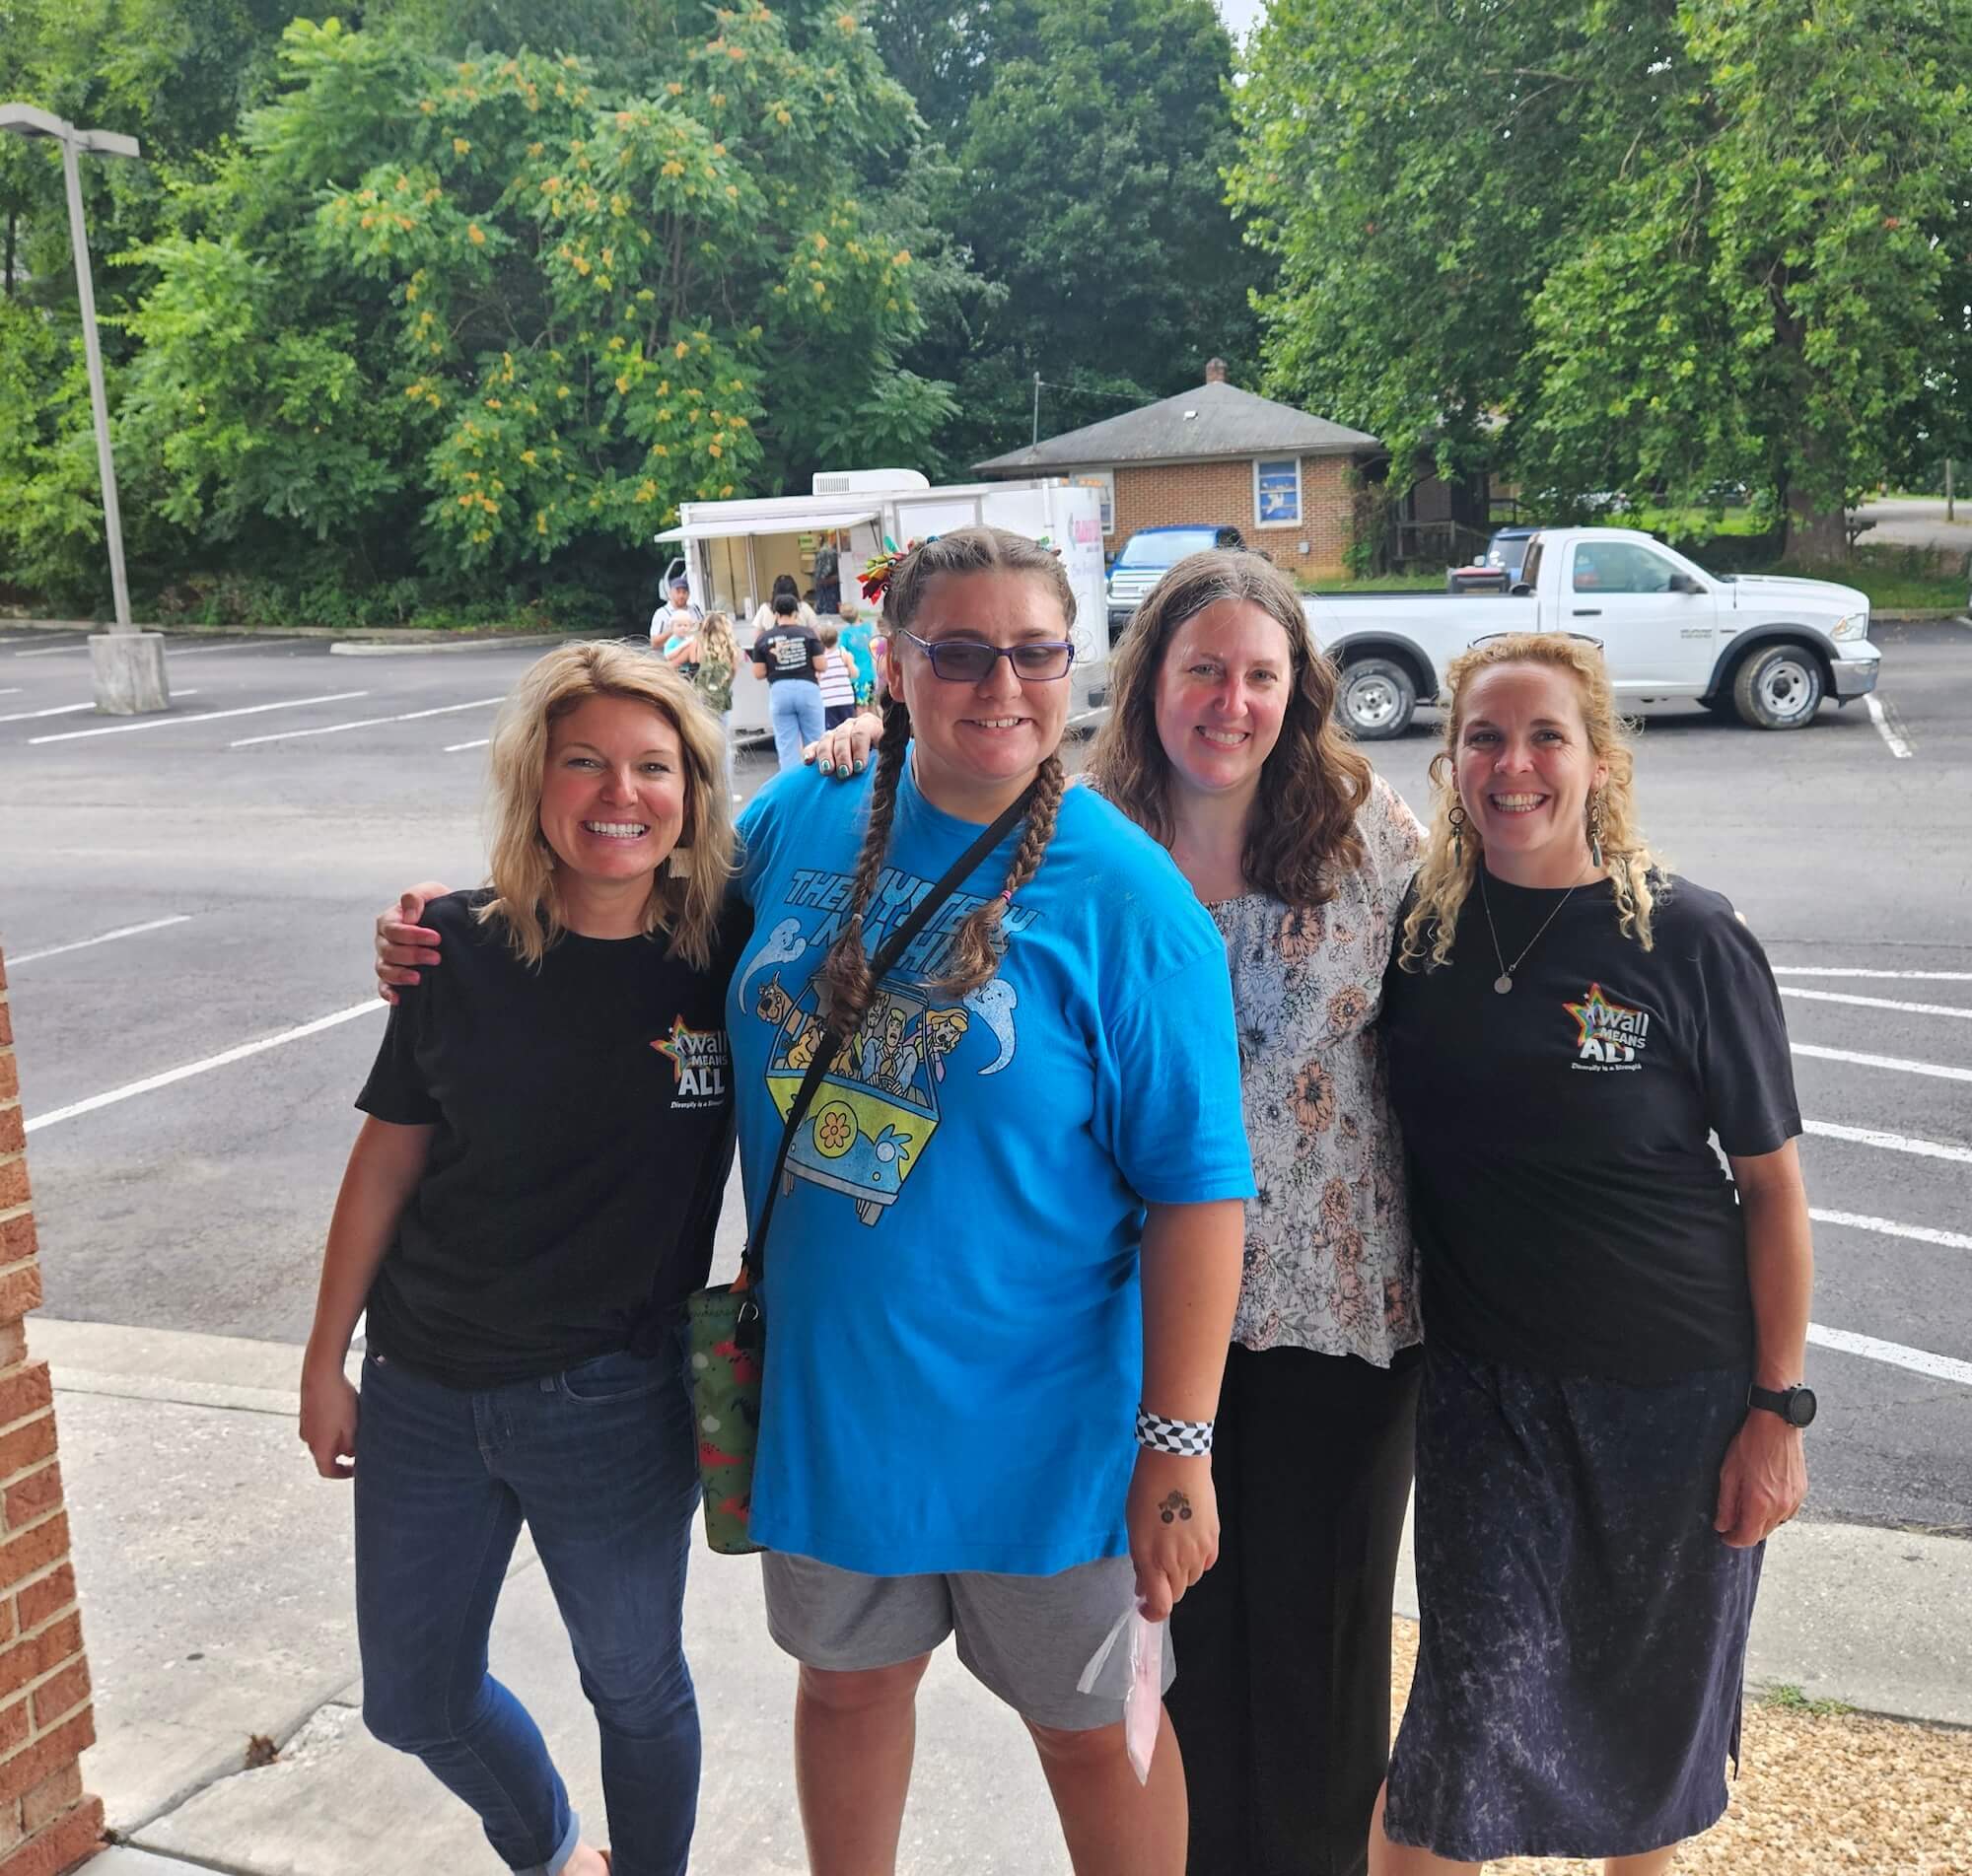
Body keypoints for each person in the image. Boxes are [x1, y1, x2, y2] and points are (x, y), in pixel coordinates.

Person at [380, 527, 1256, 1875]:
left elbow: (1200, 1192)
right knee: (848, 1688)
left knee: (1089, 1729)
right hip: (835, 1393)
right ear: (890, 662)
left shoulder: (1131, 902)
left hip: (1046, 1423)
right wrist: (452, 929)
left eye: (1034, 652)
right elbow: (626, 904)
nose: (1001, 685)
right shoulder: (802, 814)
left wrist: (1177, 1447)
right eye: (958, 652)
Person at [810, 547, 1427, 1876]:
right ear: (1148, 679)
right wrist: (874, 735)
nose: (1230, 700)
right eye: (1203, 668)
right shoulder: (1077, 826)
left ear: (1297, 691)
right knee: (1167, 1654)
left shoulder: (1368, 832)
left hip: (1328, 1305)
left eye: (1260, 674)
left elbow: (1477, 992)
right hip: (1134, 1325)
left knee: (1319, 1650)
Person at [1373, 632, 1813, 1875]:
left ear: (1598, 761)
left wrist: (1776, 1411)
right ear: (1450, 759)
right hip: (1486, 1397)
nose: (1512, 765)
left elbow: (1773, 1192)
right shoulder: (1416, 934)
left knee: (1644, 1742)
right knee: (1456, 1737)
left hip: (1675, 1400)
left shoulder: (1687, 936)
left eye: (1544, 737)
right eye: (1484, 737)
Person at [306, 643, 742, 1876]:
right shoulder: (452, 945)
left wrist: (856, 737)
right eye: (584, 761)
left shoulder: (730, 946)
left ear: (691, 792)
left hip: (614, 1398)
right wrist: (325, 1358)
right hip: (423, 1389)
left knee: (635, 1687)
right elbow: (386, 1161)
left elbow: (863, 848)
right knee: (412, 1699)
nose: (620, 793)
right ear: (533, 781)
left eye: (653, 766)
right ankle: (549, 1849)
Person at [751, 591, 825, 771]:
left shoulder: (764, 638)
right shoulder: (808, 634)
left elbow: (758, 673)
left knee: (786, 746)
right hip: (807, 688)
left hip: (779, 691)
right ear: (796, 613)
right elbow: (821, 665)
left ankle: (790, 784)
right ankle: (817, 780)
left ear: (775, 614)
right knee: (816, 743)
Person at [672, 608, 740, 801]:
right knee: (723, 750)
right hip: (721, 704)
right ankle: (725, 794)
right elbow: (732, 675)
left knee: (701, 749)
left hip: (700, 703)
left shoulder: (697, 645)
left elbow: (677, 663)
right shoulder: (731, 650)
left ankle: (703, 794)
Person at [814, 617, 858, 730]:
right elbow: (855, 674)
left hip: (827, 701)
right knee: (848, 729)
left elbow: (817, 679)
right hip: (846, 699)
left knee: (831, 732)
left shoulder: (820, 659)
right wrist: (850, 662)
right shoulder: (843, 655)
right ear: (837, 639)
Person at [748, 573, 818, 638]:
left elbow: (757, 638)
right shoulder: (804, 607)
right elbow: (817, 635)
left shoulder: (764, 609)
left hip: (773, 646)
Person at [651, 572, 702, 647]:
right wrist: (673, 631)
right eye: (678, 592)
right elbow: (654, 643)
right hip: (673, 652)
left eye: (684, 592)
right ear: (670, 593)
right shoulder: (662, 613)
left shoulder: (695, 609)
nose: (681, 595)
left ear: (688, 594)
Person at [813, 531, 842, 615]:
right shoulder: (826, 553)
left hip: (834, 601)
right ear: (832, 536)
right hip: (827, 604)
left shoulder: (836, 551)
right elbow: (820, 580)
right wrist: (838, 578)